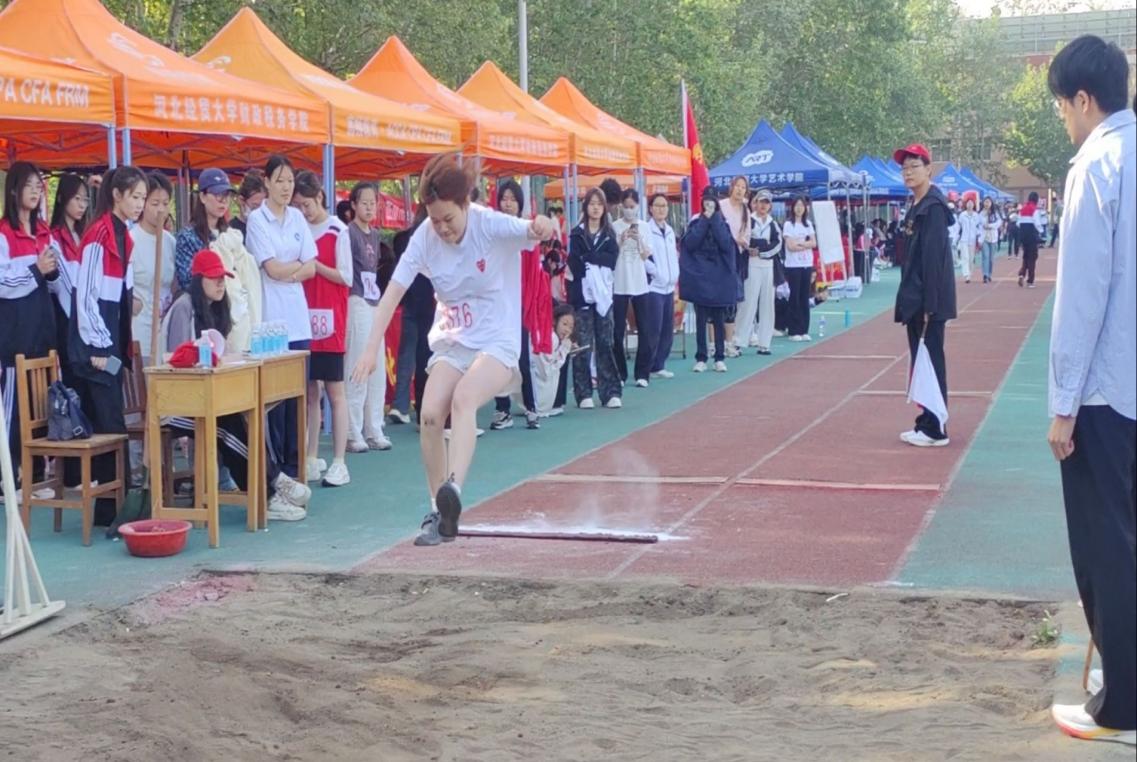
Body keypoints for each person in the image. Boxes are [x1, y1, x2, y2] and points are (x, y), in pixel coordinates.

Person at [348, 153, 556, 546]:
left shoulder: (489, 224)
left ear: (465, 204)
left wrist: (543, 224)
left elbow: (537, 229)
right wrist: (370, 349)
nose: (442, 228)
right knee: (429, 414)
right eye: (434, 220)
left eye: (448, 219)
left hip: (498, 339)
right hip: (454, 338)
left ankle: (454, 489)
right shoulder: (425, 237)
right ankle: (439, 512)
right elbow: (392, 293)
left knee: (464, 399)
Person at [1044, 34, 1136, 745]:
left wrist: (1061, 406)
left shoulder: (1097, 165)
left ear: (1083, 100)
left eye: (1061, 108)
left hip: (1107, 393)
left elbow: (1080, 297)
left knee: (1107, 547)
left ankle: (1123, 706)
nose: (1062, 121)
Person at [163, 249, 312, 519]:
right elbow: (174, 361)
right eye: (214, 278)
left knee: (240, 417)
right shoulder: (184, 307)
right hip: (175, 404)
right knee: (228, 426)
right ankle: (269, 491)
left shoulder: (216, 309)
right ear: (198, 280)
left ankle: (270, 486)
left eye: (222, 278)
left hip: (206, 399)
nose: (220, 284)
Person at [69, 166, 147, 526]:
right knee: (111, 424)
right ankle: (113, 506)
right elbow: (85, 298)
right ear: (116, 195)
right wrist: (101, 350)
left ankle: (111, 506)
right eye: (136, 197)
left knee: (111, 422)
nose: (140, 204)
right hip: (94, 346)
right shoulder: (98, 233)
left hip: (112, 341)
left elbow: (122, 292)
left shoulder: (124, 235)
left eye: (143, 198)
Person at [244, 155, 317, 489]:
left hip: (298, 319)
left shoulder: (298, 218)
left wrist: (292, 271)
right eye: (280, 181)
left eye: (290, 181)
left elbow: (312, 267)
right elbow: (271, 268)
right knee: (276, 402)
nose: (286, 188)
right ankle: (278, 474)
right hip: (271, 322)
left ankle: (296, 466)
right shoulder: (257, 220)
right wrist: (296, 269)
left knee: (298, 396)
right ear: (267, 182)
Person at [1, 162, 63, 497]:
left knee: (41, 406)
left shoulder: (44, 232)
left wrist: (50, 274)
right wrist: (37, 270)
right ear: (13, 190)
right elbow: (3, 284)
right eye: (31, 186)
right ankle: (8, 478)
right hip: (14, 337)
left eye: (40, 187)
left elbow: (55, 282)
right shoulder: (3, 233)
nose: (37, 192)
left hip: (43, 331)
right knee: (12, 412)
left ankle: (36, 476)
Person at [893, 143, 956, 447]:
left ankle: (936, 428)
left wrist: (930, 305)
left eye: (914, 167)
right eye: (905, 168)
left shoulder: (933, 209)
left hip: (928, 299)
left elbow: (934, 260)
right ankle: (927, 421)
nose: (908, 172)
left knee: (931, 360)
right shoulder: (916, 204)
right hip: (915, 297)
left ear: (929, 169)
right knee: (922, 360)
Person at [293, 170, 352, 487]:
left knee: (335, 391)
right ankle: (312, 455)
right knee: (310, 392)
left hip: (331, 321)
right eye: (298, 205)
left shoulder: (337, 230)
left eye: (307, 204)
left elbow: (346, 276)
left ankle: (340, 461)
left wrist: (316, 267)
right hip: (303, 320)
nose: (303, 211)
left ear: (320, 197)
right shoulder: (297, 229)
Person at [341, 181, 393, 450]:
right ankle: (353, 431)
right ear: (353, 205)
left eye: (373, 203)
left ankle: (374, 427)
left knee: (377, 367)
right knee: (357, 364)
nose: (370, 208)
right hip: (357, 299)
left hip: (374, 302)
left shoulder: (375, 235)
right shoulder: (347, 234)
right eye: (364, 203)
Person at [491, 179, 547, 429]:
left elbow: (533, 272)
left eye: (513, 199)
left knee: (522, 356)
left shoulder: (526, 230)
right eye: (504, 199)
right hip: (495, 304)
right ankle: (502, 409)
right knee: (497, 358)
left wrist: (528, 304)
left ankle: (531, 407)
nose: (508, 203)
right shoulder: (492, 229)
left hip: (519, 304)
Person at [567, 187, 621, 408]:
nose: (596, 208)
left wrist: (591, 257)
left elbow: (612, 259)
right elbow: (575, 262)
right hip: (582, 297)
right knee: (583, 344)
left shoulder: (609, 234)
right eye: (592, 204)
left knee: (605, 343)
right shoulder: (577, 234)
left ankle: (611, 392)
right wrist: (594, 260)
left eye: (599, 204)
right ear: (586, 207)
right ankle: (583, 393)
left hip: (604, 297)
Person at [679, 186, 737, 372]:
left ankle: (719, 356)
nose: (709, 204)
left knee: (719, 319)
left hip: (718, 277)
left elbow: (726, 244)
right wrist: (705, 219)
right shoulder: (696, 221)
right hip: (700, 276)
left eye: (712, 201)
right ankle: (701, 357)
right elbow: (690, 243)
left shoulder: (723, 222)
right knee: (701, 318)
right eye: (706, 200)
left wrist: (715, 220)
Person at [610, 188, 657, 388]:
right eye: (626, 206)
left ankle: (642, 373)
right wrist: (621, 240)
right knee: (617, 331)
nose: (629, 210)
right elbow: (611, 254)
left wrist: (638, 240)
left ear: (638, 206)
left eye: (632, 206)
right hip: (619, 283)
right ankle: (620, 373)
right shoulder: (614, 226)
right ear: (621, 206)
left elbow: (646, 255)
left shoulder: (645, 227)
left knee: (644, 328)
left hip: (640, 283)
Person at [389, 206, 432, 426]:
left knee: (407, 355)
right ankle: (421, 407)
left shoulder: (403, 239)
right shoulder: (431, 238)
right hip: (428, 304)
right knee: (424, 357)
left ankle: (401, 404)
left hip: (410, 302)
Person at [130, 172, 176, 365]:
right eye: (155, 203)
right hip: (139, 328)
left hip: (164, 328)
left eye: (165, 203)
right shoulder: (131, 239)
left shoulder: (170, 242)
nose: (161, 210)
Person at [174, 168, 233, 292]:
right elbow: (187, 280)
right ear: (202, 197)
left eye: (227, 195)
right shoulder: (187, 237)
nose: (224, 201)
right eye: (218, 195)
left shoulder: (231, 234)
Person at [645, 193, 679, 379]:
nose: (661, 209)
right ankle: (648, 366)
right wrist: (655, 272)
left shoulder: (670, 230)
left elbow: (673, 256)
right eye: (657, 206)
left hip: (669, 287)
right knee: (654, 328)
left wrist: (675, 277)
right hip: (654, 287)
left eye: (664, 206)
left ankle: (659, 364)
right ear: (651, 208)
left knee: (667, 328)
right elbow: (644, 257)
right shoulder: (646, 230)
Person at [747, 189, 782, 355]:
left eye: (766, 203)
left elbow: (777, 245)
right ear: (755, 203)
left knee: (767, 304)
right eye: (761, 202)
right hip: (751, 265)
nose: (763, 206)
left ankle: (764, 342)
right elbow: (747, 240)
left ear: (770, 206)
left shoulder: (773, 224)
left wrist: (761, 250)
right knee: (748, 302)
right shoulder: (749, 220)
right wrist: (759, 244)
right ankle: (740, 340)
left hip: (768, 266)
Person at [720, 176, 750, 356]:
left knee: (733, 301)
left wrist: (742, 241)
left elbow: (747, 234)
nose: (739, 190)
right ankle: (715, 344)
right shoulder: (721, 206)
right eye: (737, 186)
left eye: (743, 187)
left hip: (737, 257)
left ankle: (729, 342)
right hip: (721, 258)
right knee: (718, 301)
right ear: (731, 187)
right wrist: (732, 240)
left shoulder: (745, 209)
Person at [529, 303, 576, 416]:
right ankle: (541, 406)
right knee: (555, 371)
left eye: (570, 327)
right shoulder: (552, 338)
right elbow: (547, 371)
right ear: (555, 321)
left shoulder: (549, 334)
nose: (567, 329)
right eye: (564, 324)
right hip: (536, 384)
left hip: (529, 380)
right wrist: (564, 348)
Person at [782, 196, 817, 342]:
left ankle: (804, 329)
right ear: (792, 207)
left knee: (804, 296)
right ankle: (793, 330)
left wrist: (800, 244)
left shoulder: (808, 224)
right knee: (794, 296)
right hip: (793, 265)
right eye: (796, 205)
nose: (799, 208)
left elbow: (813, 243)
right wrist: (805, 244)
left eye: (802, 205)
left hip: (806, 264)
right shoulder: (788, 225)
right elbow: (790, 246)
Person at [955, 197, 983, 284]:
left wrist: (979, 236)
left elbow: (979, 227)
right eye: (968, 203)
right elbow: (958, 227)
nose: (970, 205)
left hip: (973, 239)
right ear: (966, 204)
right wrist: (956, 238)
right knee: (965, 257)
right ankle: (966, 274)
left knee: (971, 258)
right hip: (964, 239)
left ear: (974, 205)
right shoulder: (962, 215)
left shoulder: (976, 215)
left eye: (971, 203)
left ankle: (970, 273)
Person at [1017, 191, 1042, 287]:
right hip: (1032, 236)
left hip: (1023, 236)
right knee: (1032, 258)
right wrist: (1041, 231)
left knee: (1025, 256)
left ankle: (1022, 274)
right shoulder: (1034, 209)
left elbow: (1018, 223)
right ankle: (1030, 281)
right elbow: (1037, 223)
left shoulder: (1022, 209)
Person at [978, 197, 1000, 284]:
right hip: (984, 238)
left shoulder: (995, 214)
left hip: (993, 238)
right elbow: (979, 225)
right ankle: (985, 275)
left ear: (991, 203)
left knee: (991, 258)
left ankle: (990, 274)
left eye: (988, 202)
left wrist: (990, 226)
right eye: (985, 202)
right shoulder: (981, 214)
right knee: (985, 256)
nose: (987, 204)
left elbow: (999, 223)